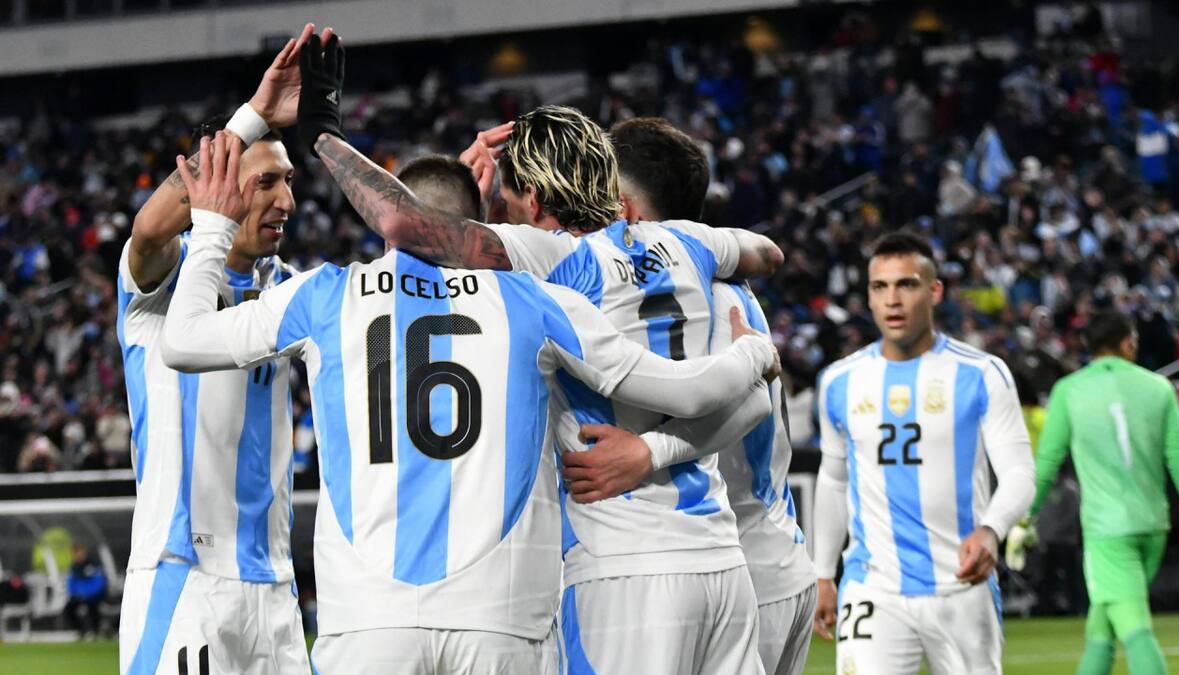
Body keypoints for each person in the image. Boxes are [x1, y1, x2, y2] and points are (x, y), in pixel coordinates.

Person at [161, 133, 779, 674]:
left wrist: (213, 225)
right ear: (472, 228)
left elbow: (183, 342)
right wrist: (752, 355)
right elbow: (688, 390)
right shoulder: (532, 300)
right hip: (501, 617)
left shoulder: (326, 293)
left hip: (367, 621)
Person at [299, 38, 782, 674]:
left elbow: (407, 228)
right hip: (719, 560)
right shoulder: (690, 241)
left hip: (621, 566)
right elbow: (766, 254)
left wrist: (324, 132)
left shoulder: (550, 258)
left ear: (532, 199)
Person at [558, 117, 818, 674]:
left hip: (744, 564)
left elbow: (745, 406)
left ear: (623, 207)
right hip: (758, 559)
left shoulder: (711, 294)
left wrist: (650, 452)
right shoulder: (713, 283)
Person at [116, 23, 328, 675]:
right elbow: (149, 227)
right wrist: (253, 116)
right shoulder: (163, 283)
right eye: (265, 182)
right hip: (185, 580)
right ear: (216, 181)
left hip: (274, 591)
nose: (286, 200)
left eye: (288, 181)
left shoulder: (289, 290)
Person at [811, 232, 1035, 674]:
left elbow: (1019, 472)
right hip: (873, 587)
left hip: (961, 586)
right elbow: (834, 479)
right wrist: (822, 572)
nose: (892, 299)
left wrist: (992, 530)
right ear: (869, 297)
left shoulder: (981, 374)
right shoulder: (840, 381)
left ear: (934, 291)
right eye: (880, 287)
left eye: (907, 284)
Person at [1007, 310, 1179, 675]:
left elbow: (1047, 464)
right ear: (1128, 343)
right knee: (1101, 630)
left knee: (1136, 630)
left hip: (1107, 532)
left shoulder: (1069, 391)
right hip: (1153, 526)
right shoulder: (1159, 388)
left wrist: (1024, 519)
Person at [64, 544, 107, 639]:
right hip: (80, 596)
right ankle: (81, 630)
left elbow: (99, 583)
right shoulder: (74, 567)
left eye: (81, 553)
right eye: (76, 554)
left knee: (93, 606)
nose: (79, 555)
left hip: (94, 595)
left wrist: (88, 594)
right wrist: (75, 594)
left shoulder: (94, 564)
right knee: (68, 608)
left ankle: (96, 631)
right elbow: (71, 584)